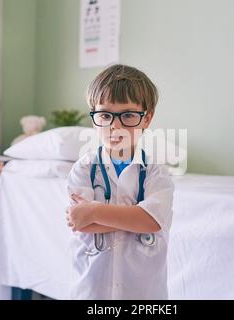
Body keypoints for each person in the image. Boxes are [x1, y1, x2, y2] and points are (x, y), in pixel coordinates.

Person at [66, 64, 174, 299]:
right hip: (91, 290)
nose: (115, 126)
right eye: (105, 115)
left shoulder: (157, 174)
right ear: (94, 119)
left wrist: (94, 210)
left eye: (127, 115)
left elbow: (152, 222)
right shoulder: (83, 170)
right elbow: (80, 221)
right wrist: (134, 218)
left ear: (147, 118)